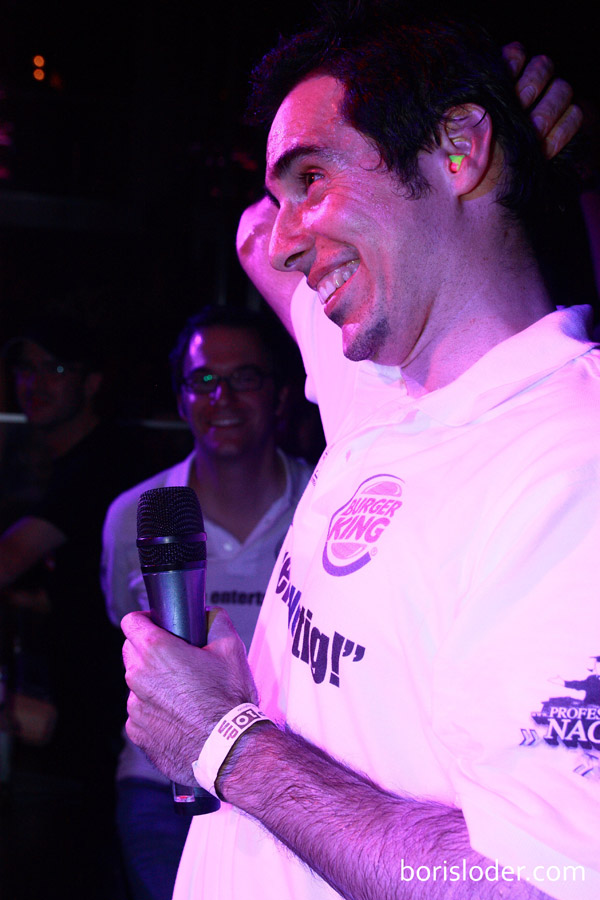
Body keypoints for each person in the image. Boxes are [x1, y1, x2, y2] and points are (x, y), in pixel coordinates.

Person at [122, 11, 599, 900]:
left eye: (313, 178)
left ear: (459, 150)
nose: (285, 237)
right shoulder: (374, 385)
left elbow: (531, 885)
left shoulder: (570, 463)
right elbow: (252, 236)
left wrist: (226, 743)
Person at [102, 304, 313, 900]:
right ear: (181, 399)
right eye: (204, 380)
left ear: (280, 395)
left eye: (245, 377)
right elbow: (119, 621)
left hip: (294, 774)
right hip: (160, 784)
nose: (223, 397)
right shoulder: (133, 516)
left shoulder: (326, 503)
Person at [0, 315, 151, 899]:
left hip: (108, 711)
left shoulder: (101, 463)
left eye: (55, 368)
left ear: (91, 383)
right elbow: (73, 589)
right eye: (25, 368)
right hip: (88, 703)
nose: (33, 383)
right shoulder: (75, 460)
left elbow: (10, 559)